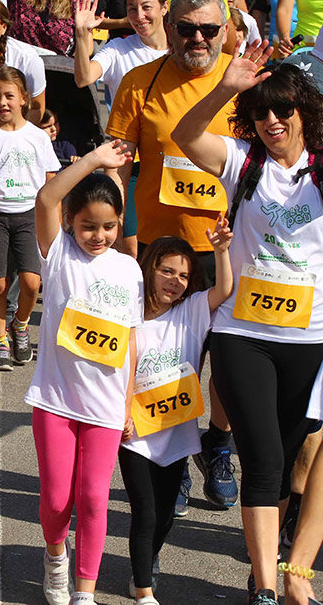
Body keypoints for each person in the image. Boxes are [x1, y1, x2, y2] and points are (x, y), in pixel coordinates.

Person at [174, 50, 323, 605]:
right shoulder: (243, 160)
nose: (272, 121)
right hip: (243, 333)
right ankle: (265, 589)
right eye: (261, 112)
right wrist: (224, 89)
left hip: (310, 338)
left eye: (283, 110)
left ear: (304, 111)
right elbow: (185, 133)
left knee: (287, 466)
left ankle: (282, 575)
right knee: (261, 458)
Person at [105, 0, 241, 514]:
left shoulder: (241, 80)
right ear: (170, 26)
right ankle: (174, 460)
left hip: (230, 248)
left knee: (229, 362)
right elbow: (118, 162)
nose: (199, 39)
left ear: (225, 29)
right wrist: (116, 235)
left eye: (210, 29)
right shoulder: (142, 82)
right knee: (170, 364)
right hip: (164, 252)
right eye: (188, 29)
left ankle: (218, 445)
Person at [26, 140, 141, 605]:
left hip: (107, 407)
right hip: (55, 399)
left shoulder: (129, 270)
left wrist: (129, 402)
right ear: (71, 222)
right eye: (88, 225)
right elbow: (46, 200)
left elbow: (130, 341)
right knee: (57, 500)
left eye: (109, 227)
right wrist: (94, 161)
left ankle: (84, 593)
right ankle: (56, 557)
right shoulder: (59, 256)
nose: (98, 236)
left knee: (94, 498)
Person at [120, 230, 233, 605]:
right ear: (149, 269)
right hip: (136, 435)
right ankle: (143, 590)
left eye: (183, 276)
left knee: (166, 515)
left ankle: (149, 559)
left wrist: (220, 251)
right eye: (167, 271)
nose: (175, 281)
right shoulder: (129, 312)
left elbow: (225, 288)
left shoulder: (192, 312)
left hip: (177, 436)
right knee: (146, 513)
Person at [0, 66, 61, 370]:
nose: (2, 102)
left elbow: (52, 184)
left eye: (9, 95)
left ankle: (20, 325)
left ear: (24, 98)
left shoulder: (38, 137)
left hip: (28, 216)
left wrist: (55, 226)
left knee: (32, 283)